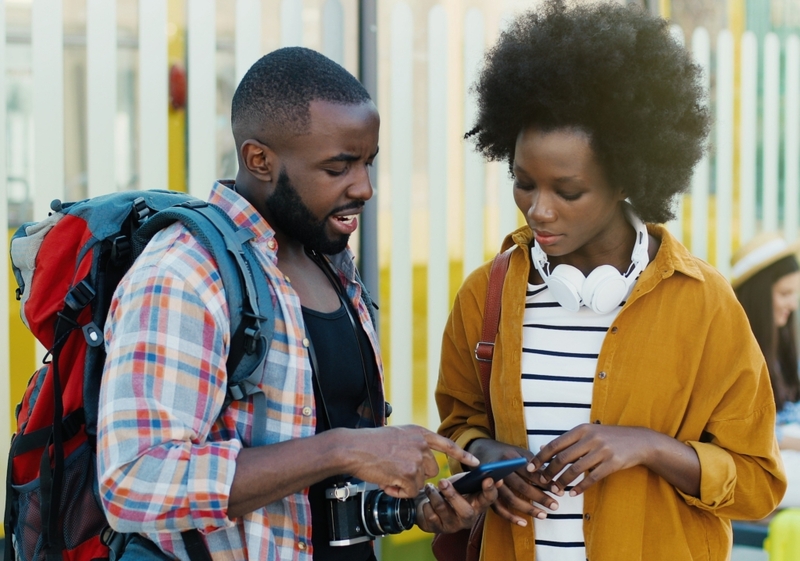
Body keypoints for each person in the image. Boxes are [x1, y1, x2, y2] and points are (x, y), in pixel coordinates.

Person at [97, 47, 497, 561]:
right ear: (259, 160)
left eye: (368, 162)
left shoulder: (329, 260)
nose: (365, 187)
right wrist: (343, 448)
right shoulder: (183, 275)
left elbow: (321, 496)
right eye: (339, 167)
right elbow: (133, 482)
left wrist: (415, 509)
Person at [434, 2, 786, 560]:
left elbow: (757, 484)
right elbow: (458, 425)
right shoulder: (487, 293)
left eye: (567, 191)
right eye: (524, 183)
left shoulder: (704, 303)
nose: (538, 211)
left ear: (626, 177)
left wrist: (647, 447)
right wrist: (492, 456)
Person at [732, 232, 800, 508]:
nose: (792, 305)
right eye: (784, 294)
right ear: (759, 295)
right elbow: (735, 431)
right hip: (765, 463)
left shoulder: (784, 349)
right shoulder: (733, 354)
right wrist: (790, 440)